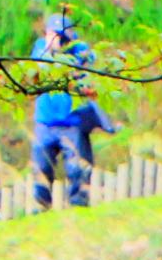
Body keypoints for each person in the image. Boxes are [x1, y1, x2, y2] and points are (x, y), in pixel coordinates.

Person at [32, 82, 115, 211]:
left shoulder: (80, 63)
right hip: (45, 121)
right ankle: (42, 206)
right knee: (42, 167)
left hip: (73, 121)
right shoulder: (40, 64)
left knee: (77, 168)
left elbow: (92, 81)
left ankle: (78, 205)